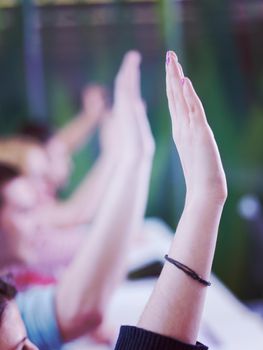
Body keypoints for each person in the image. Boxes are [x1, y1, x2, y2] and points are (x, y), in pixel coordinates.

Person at [0, 50, 227, 349]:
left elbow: (74, 308)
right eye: (25, 209)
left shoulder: (10, 300)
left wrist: (133, 155)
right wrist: (128, 158)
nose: (40, 215)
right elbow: (80, 306)